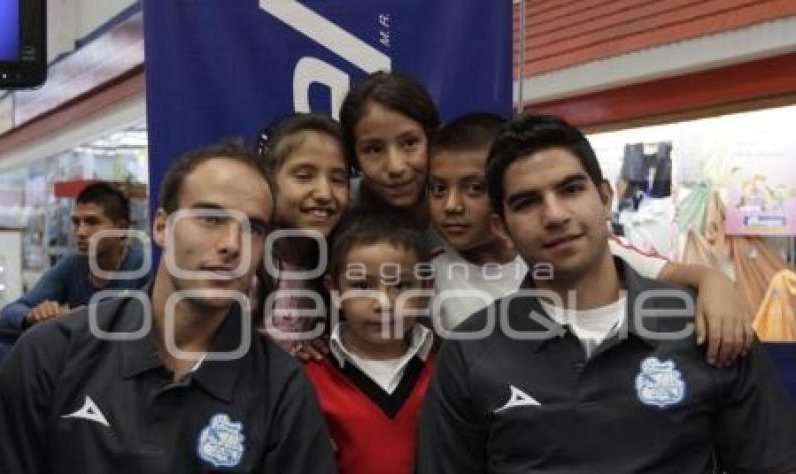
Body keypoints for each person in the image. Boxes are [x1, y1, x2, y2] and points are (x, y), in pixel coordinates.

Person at [414, 113, 796, 474]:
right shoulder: (470, 348)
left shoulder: (707, 325)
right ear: (502, 227)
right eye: (527, 202)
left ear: (605, 196)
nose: (555, 215)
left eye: (571, 189)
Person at [0, 143, 350, 474]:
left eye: (253, 228)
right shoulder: (52, 353)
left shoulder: (281, 385)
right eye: (211, 218)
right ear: (161, 226)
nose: (232, 245)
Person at [427, 112, 755, 366]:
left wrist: (718, 285)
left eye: (474, 188)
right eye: (438, 189)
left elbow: (681, 274)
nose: (452, 206)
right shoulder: (427, 275)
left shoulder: (588, 246)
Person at [303, 210, 435, 474]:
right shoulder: (309, 376)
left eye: (402, 286)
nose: (384, 303)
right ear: (334, 290)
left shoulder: (449, 370)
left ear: (425, 289)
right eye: (362, 286)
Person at [254, 112, 350, 360]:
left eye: (338, 179)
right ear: (266, 180)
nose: (324, 193)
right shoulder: (245, 267)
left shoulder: (336, 264)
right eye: (304, 176)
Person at [0, 182, 149, 329]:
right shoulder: (73, 265)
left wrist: (82, 317)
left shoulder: (145, 266)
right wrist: (32, 315)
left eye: (92, 222)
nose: (80, 232)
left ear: (121, 228)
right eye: (76, 222)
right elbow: (10, 311)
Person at [339, 71, 440, 235]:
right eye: (374, 150)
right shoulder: (339, 209)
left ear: (433, 140)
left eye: (410, 143)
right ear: (354, 158)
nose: (395, 167)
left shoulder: (461, 209)